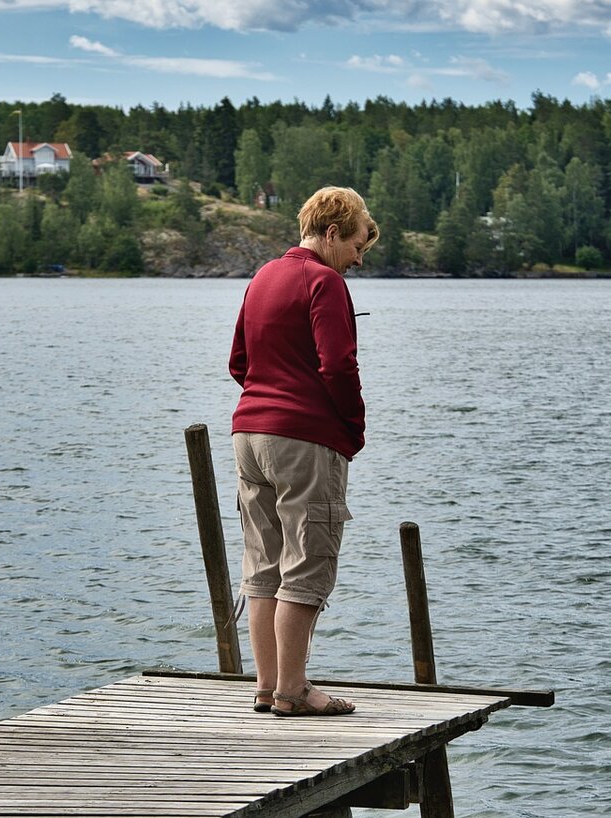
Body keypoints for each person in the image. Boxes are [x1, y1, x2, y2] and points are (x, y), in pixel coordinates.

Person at [229, 186, 378, 717]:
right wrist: (352, 428)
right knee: (307, 562)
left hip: (248, 435)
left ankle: (268, 687)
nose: (359, 259)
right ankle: (295, 691)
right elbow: (338, 365)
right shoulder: (325, 281)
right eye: (358, 245)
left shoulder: (263, 276)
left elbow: (239, 362)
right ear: (332, 232)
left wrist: (268, 399)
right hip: (304, 437)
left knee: (263, 564)